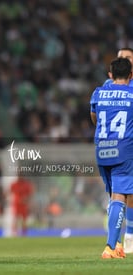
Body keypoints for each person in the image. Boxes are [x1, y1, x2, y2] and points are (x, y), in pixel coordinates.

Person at [90, 57, 133, 259]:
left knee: (113, 198)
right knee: (120, 197)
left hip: (102, 149)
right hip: (124, 150)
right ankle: (110, 247)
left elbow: (94, 118)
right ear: (131, 75)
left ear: (110, 75)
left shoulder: (98, 93)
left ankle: (116, 244)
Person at [103, 47, 133, 254]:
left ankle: (126, 237)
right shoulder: (109, 85)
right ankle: (120, 240)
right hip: (124, 146)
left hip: (108, 147)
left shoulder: (103, 89)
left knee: (121, 194)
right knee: (120, 194)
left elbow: (94, 113)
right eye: (121, 57)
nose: (123, 59)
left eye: (128, 57)